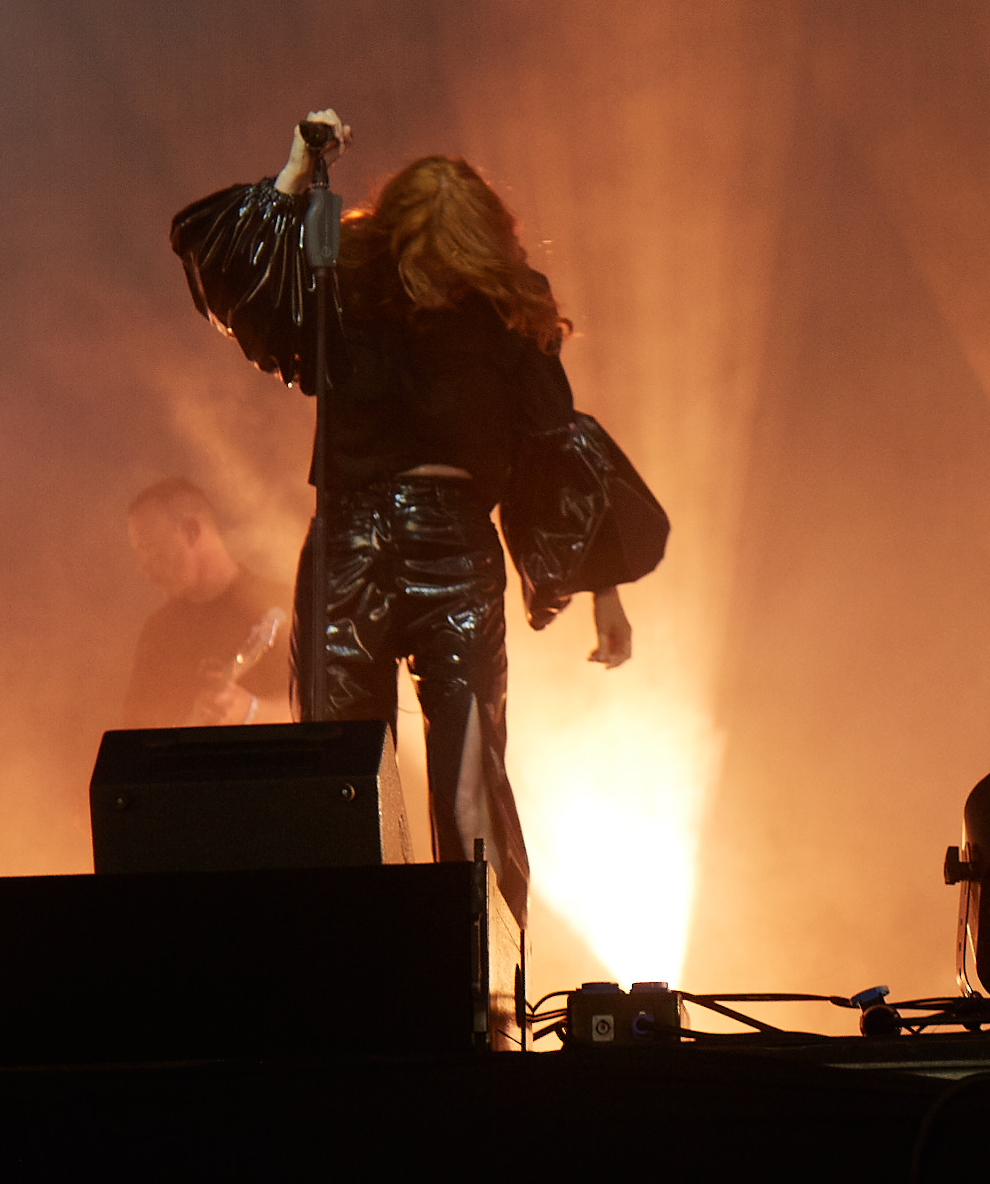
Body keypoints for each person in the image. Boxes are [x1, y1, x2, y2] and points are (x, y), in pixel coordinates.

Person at [169, 110, 667, 925]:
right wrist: (605, 588)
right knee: (469, 783)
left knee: (339, 783)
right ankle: (485, 1000)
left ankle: (355, 997)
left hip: (345, 548)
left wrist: (296, 171)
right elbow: (554, 451)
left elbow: (238, 264)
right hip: (449, 542)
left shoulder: (347, 285)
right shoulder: (500, 306)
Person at [121, 477, 291, 729]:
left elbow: (326, 711)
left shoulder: (284, 603)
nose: (143, 566)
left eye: (151, 548)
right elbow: (135, 730)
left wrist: (253, 711)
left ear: (192, 530)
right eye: (139, 554)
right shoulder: (159, 631)